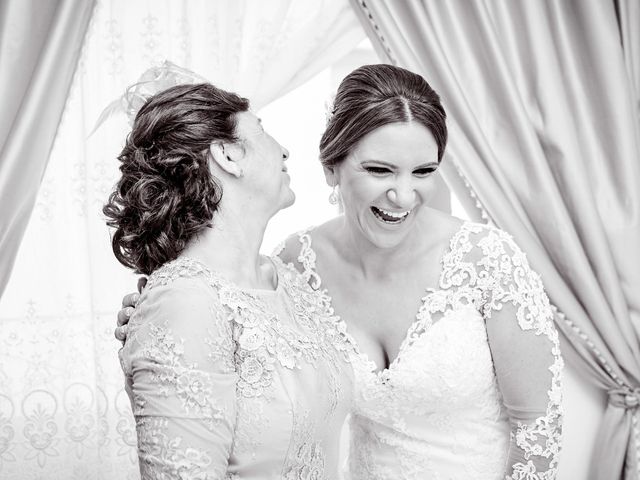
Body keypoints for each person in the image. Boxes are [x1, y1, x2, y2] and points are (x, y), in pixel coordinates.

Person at [118, 64, 563, 479]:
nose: (404, 195)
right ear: (332, 168)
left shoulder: (485, 259)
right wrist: (157, 318)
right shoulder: (296, 264)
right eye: (379, 169)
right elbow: (220, 319)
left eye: (424, 171)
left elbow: (538, 425)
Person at [105, 79, 353, 479]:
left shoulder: (287, 279)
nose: (285, 150)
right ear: (227, 155)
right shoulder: (181, 303)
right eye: (260, 126)